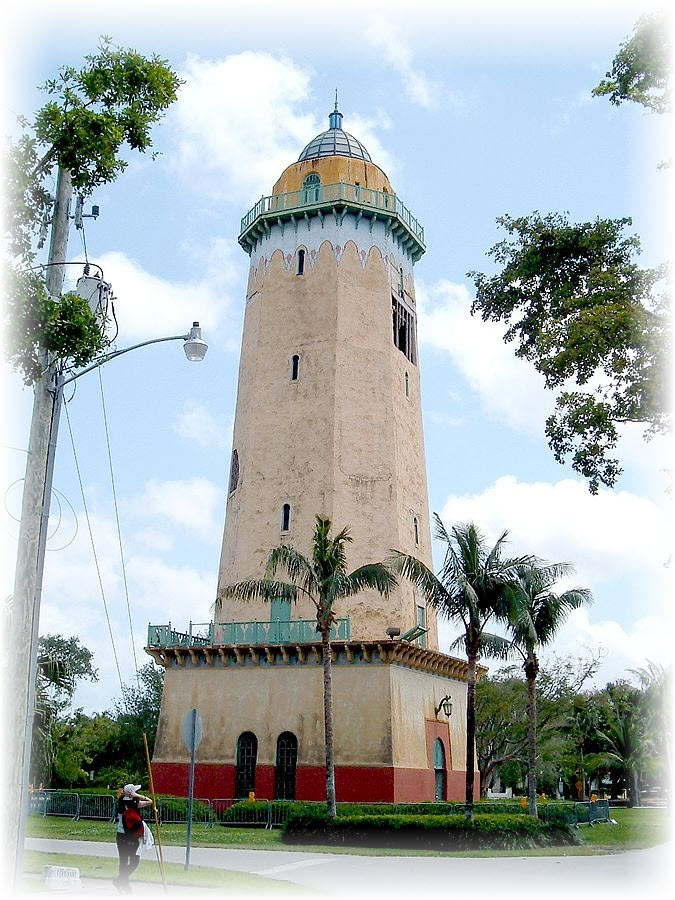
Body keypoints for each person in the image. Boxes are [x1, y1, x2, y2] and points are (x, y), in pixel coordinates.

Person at [113, 783, 153, 894]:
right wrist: (138, 796)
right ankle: (120, 881)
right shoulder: (135, 803)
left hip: (120, 835)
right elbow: (150, 801)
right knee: (134, 861)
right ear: (132, 793)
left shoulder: (121, 802)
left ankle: (124, 884)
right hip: (131, 836)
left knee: (123, 861)